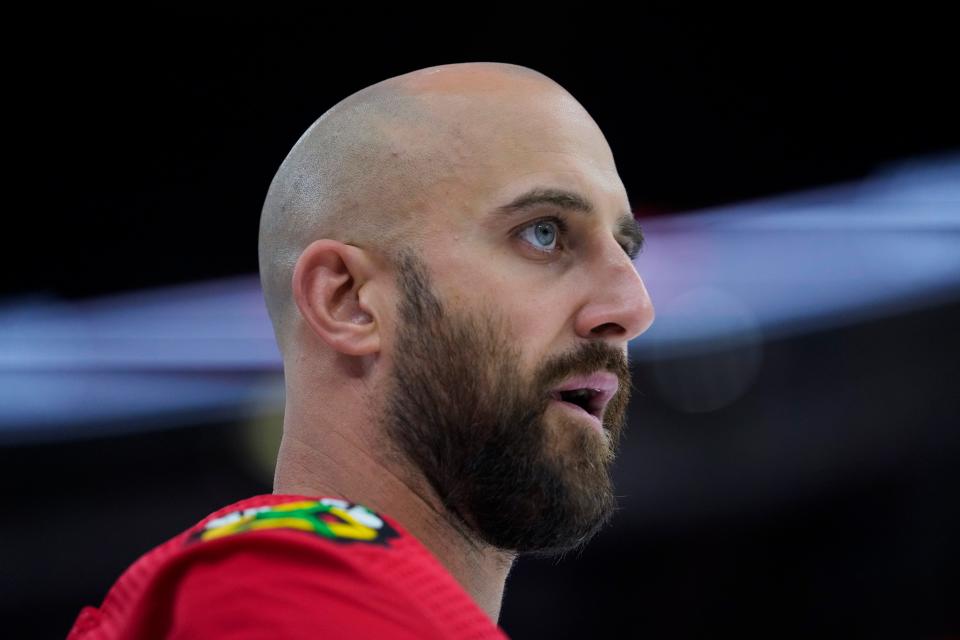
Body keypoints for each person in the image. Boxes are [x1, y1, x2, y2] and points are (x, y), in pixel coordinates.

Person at [68, 61, 654, 639]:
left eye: (626, 248)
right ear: (346, 300)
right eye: (543, 233)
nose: (633, 307)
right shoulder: (277, 596)